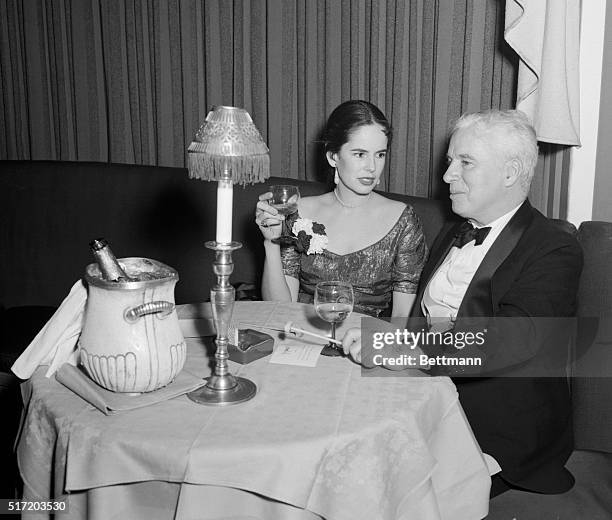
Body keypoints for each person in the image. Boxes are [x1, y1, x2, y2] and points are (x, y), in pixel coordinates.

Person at [342, 109, 583, 497]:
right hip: (421, 397)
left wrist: (405, 351)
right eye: (451, 161)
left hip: (494, 429)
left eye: (465, 162)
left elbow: (508, 342)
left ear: (509, 173)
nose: (447, 175)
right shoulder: (455, 231)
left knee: (381, 491)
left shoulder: (553, 248)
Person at [255, 100, 428, 318]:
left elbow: (401, 322)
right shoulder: (297, 212)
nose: (372, 167)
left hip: (367, 345)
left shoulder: (403, 221)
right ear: (333, 156)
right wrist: (271, 242)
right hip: (303, 339)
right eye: (359, 154)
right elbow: (279, 309)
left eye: (380, 154)